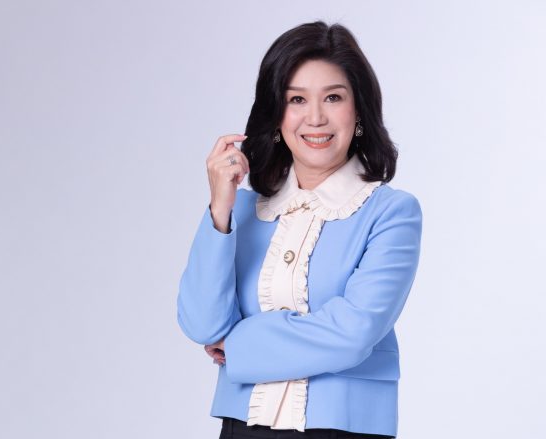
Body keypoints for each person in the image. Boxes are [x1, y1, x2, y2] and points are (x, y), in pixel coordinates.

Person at [177, 21, 422, 439]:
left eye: (333, 97)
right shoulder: (244, 209)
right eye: (296, 99)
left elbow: (352, 333)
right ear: (277, 115)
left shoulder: (392, 213)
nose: (316, 117)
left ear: (358, 111)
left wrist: (239, 344)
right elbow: (203, 325)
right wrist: (220, 208)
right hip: (243, 425)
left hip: (342, 429)